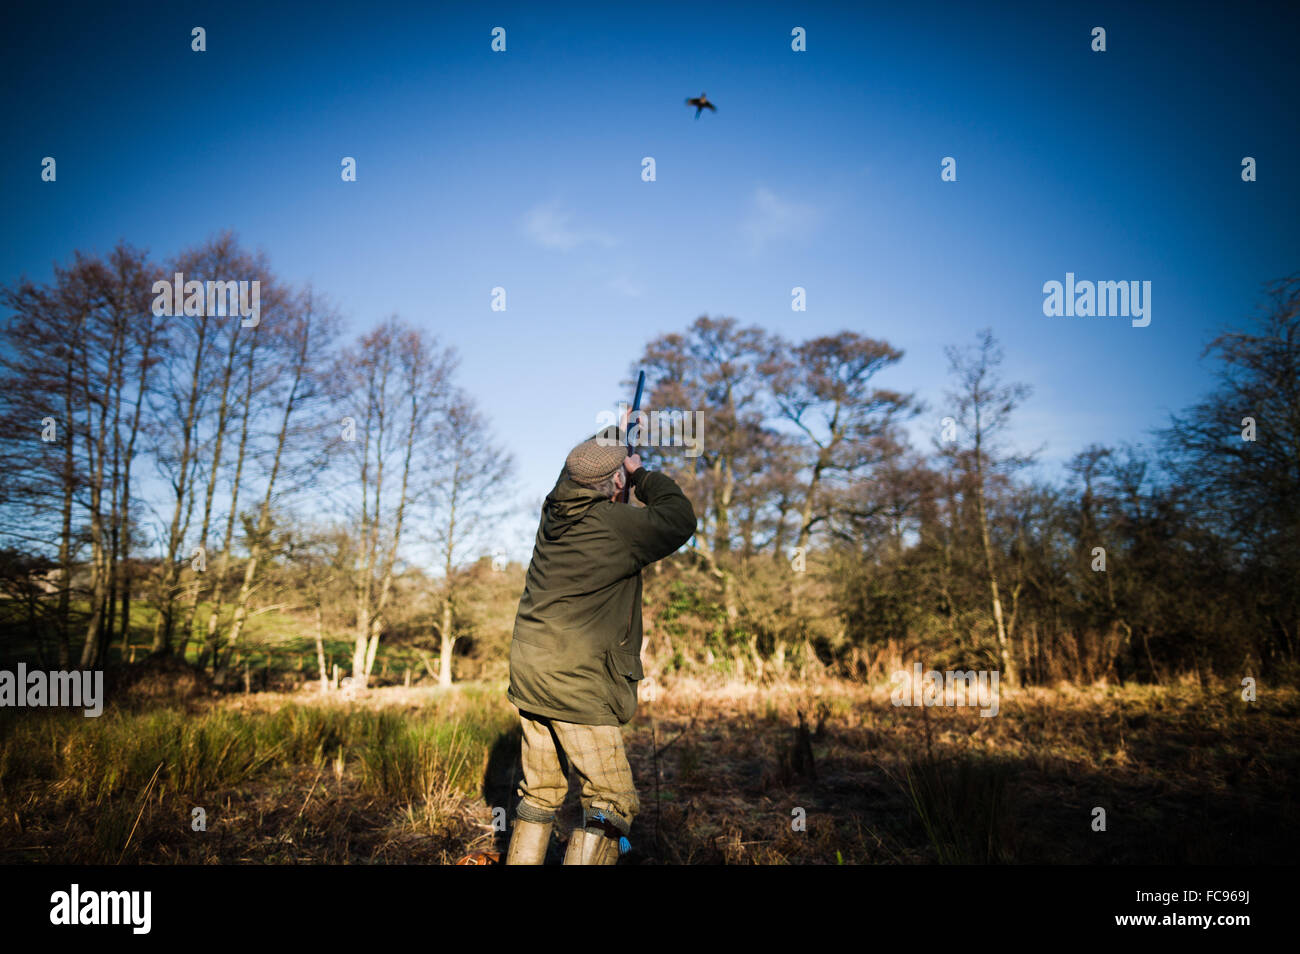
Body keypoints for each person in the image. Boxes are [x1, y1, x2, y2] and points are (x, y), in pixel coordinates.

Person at [504, 418, 696, 864]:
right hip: (577, 683)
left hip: (532, 676)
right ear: (615, 481)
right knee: (611, 802)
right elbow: (679, 519)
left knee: (542, 791)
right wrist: (642, 475)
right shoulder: (615, 525)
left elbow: (576, 467)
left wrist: (619, 430)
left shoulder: (553, 510)